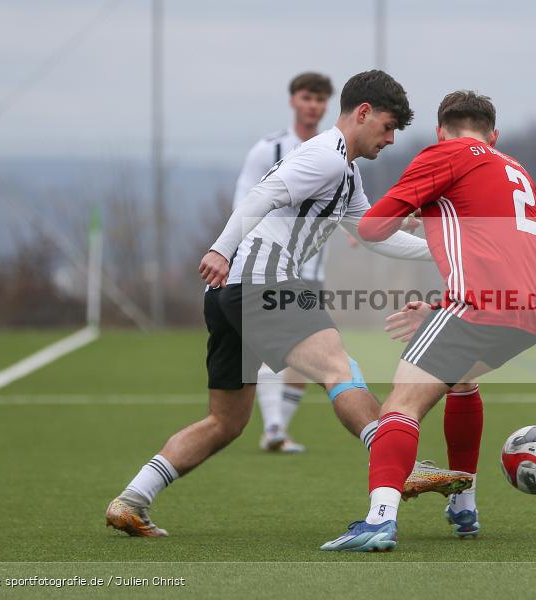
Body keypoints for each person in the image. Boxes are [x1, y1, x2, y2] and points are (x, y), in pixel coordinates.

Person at [105, 71, 472, 538]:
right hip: (263, 281)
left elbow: (373, 237)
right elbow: (260, 197)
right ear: (362, 113)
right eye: (387, 125)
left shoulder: (347, 172)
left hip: (230, 295)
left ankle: (132, 499)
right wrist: (220, 248)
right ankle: (398, 462)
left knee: (225, 421)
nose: (392, 137)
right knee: (339, 369)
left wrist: (447, 249)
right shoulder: (326, 157)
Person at [321, 90, 536, 552]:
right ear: (494, 134)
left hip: (479, 306)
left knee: (401, 406)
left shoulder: (443, 153)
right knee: (462, 381)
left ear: (438, 131)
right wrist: (438, 305)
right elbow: (494, 250)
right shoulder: (513, 168)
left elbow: (371, 227)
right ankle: (464, 503)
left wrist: (396, 217)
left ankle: (379, 519)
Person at [233, 72, 334, 454]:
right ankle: (274, 428)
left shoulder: (333, 151)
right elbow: (243, 203)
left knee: (306, 357)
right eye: (307, 98)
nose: (313, 106)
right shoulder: (269, 149)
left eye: (320, 99)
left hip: (313, 272)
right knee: (270, 349)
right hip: (270, 268)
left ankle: (276, 429)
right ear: (293, 100)